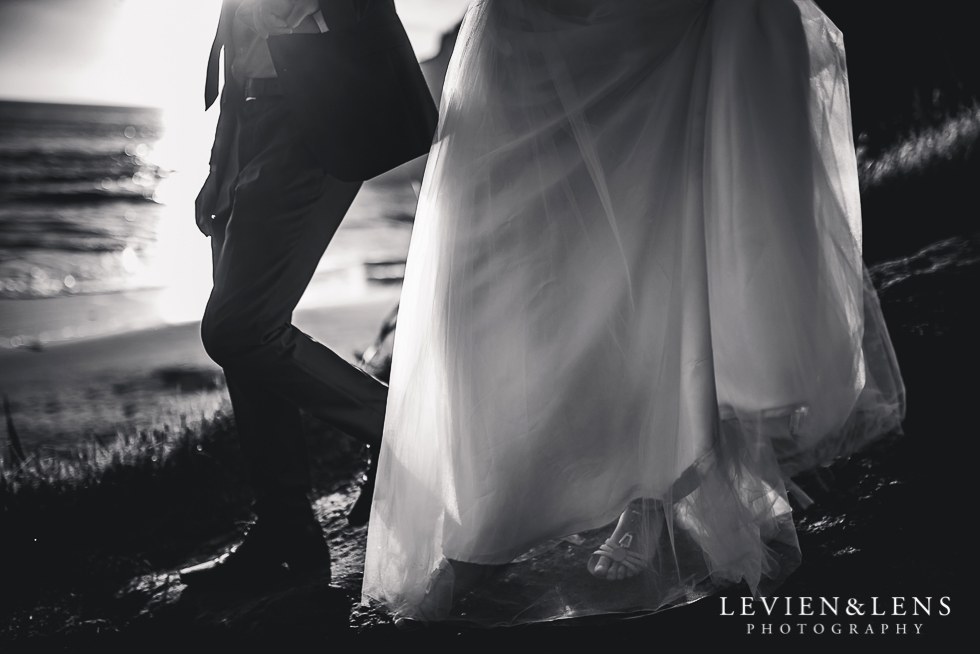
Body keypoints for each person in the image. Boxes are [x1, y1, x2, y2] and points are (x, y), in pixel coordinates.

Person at [362, 0, 905, 624]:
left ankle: (632, 486)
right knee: (493, 251)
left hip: (639, 20)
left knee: (650, 229)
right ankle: (496, 505)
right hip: (524, 28)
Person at [179, 0, 437, 587]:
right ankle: (284, 528)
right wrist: (222, 160)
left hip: (317, 110)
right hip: (247, 116)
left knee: (239, 328)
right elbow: (238, 26)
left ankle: (402, 430)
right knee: (243, 335)